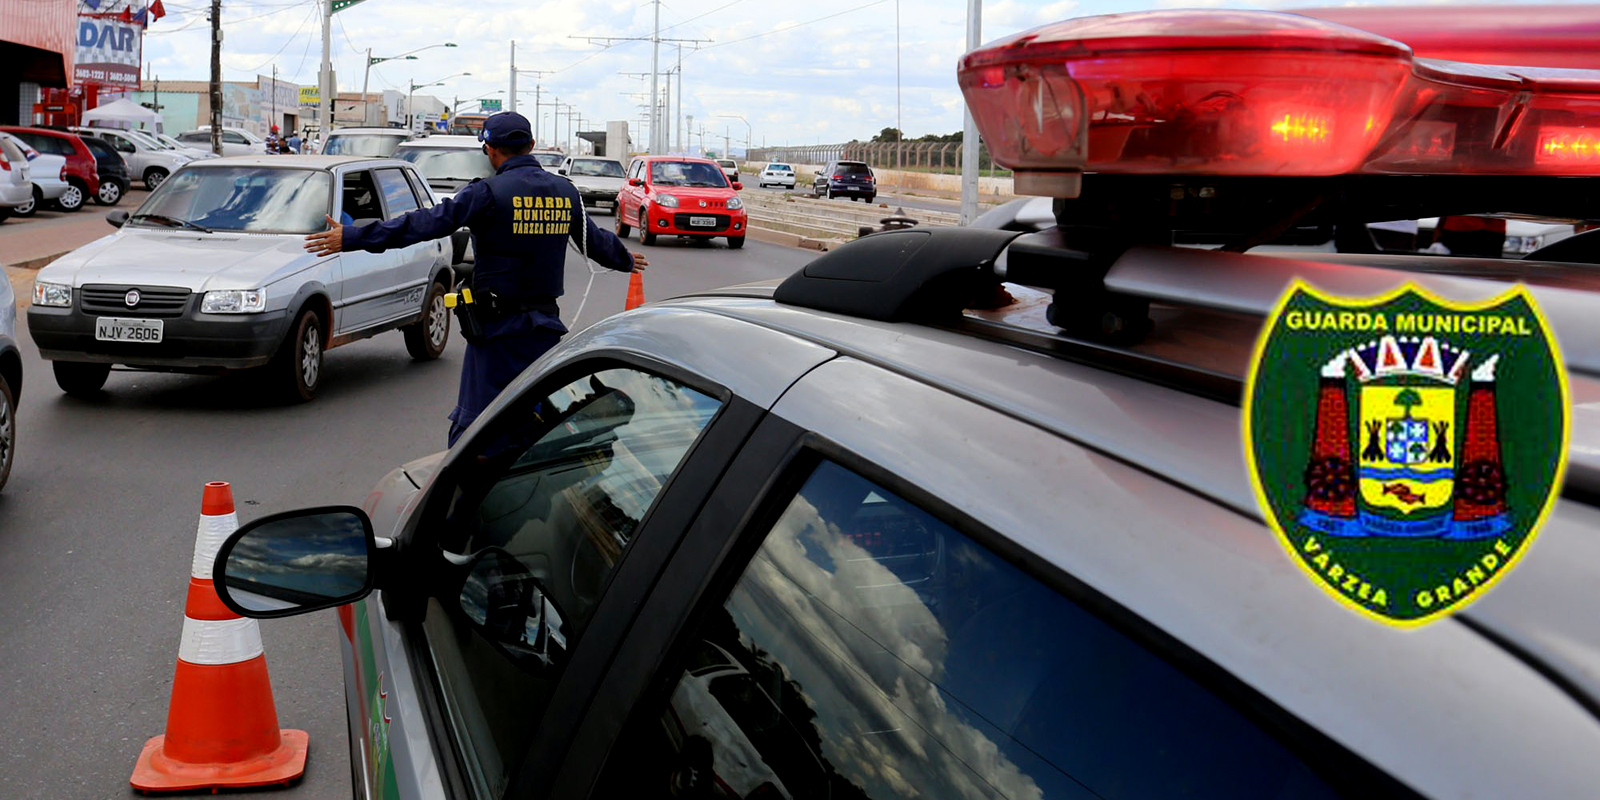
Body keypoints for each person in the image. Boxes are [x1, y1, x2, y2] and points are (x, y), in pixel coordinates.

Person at [303, 111, 646, 446]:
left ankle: (458, 497)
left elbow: (427, 223)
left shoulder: (488, 193)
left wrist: (354, 237)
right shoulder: (565, 192)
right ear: (532, 145)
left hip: (498, 331)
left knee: (474, 432)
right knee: (533, 417)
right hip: (544, 329)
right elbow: (594, 241)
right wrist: (626, 259)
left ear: (490, 149)